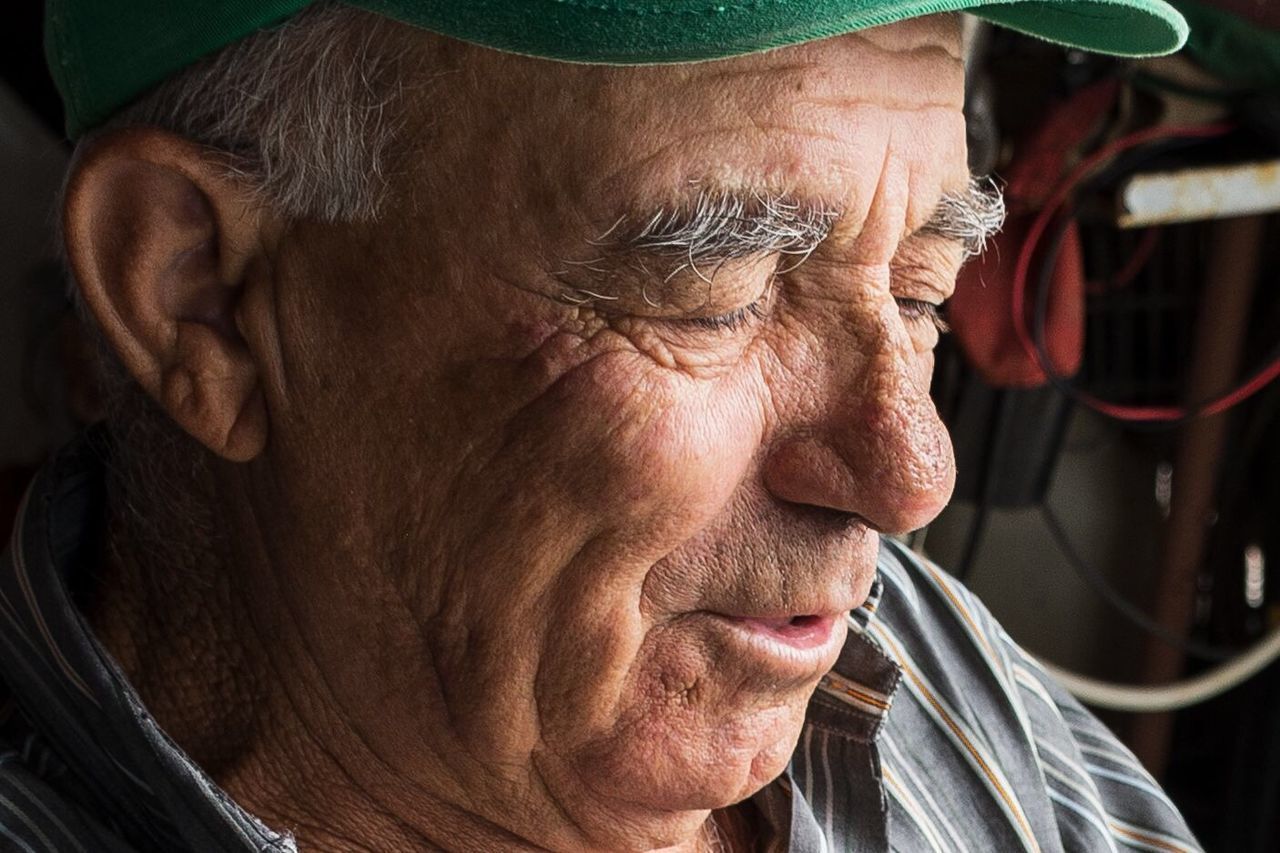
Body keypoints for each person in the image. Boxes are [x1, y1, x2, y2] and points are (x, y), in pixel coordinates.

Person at [1, 1, 1201, 850]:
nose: (906, 476)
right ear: (199, 294)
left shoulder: (896, 650)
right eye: (716, 295)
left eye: (919, 290)